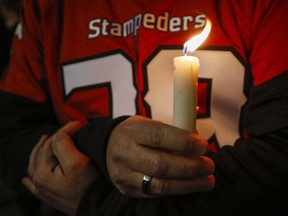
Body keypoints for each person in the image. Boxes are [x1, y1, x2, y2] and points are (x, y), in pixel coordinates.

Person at [0, 0, 287, 215]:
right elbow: (10, 134)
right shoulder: (49, 7)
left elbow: (279, 158)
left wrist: (99, 203)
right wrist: (99, 141)